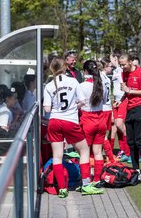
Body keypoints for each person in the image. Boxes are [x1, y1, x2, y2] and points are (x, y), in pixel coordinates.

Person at [43, 57, 104, 198]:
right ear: (65, 67)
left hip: (55, 121)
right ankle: (86, 184)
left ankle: (62, 189)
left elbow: (47, 109)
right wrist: (72, 107)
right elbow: (82, 101)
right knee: (83, 151)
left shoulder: (49, 85)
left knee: (57, 156)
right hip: (70, 121)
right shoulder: (73, 81)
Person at [117, 53, 141, 172]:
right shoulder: (124, 73)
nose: (122, 67)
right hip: (130, 109)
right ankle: (136, 169)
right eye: (121, 65)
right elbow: (127, 92)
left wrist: (129, 90)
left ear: (130, 62)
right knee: (131, 141)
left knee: (139, 141)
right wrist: (120, 101)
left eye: (124, 64)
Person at [79, 60, 108, 185]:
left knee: (84, 152)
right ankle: (97, 180)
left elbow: (78, 103)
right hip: (101, 120)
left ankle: (86, 182)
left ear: (85, 71)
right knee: (98, 152)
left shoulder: (81, 86)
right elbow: (106, 100)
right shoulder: (102, 85)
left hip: (87, 120)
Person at [110, 52, 131, 162]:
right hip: (116, 100)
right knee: (115, 127)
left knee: (119, 124)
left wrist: (121, 98)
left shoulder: (122, 70)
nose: (111, 61)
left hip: (122, 99)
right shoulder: (115, 70)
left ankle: (130, 152)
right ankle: (122, 150)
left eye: (113, 59)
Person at [0, 85, 20, 155]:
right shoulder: (4, 111)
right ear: (7, 99)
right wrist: (16, 119)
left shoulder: (5, 108)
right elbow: (3, 129)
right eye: (14, 98)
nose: (16, 100)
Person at [98, 57, 116, 163]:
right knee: (102, 135)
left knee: (103, 135)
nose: (111, 68)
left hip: (107, 108)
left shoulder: (105, 77)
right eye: (110, 66)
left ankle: (105, 156)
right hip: (104, 109)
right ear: (105, 67)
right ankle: (110, 158)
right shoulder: (101, 77)